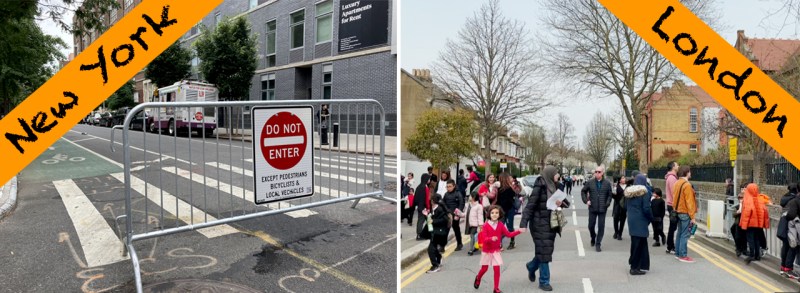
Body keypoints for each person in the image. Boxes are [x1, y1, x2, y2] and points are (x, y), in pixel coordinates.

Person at [519, 166, 570, 291]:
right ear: (550, 174)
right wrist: (523, 223)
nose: (558, 175)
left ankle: (531, 266)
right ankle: (544, 281)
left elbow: (566, 203)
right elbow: (530, 205)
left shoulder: (556, 185)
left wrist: (561, 203)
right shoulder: (540, 185)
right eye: (556, 173)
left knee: (544, 251)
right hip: (538, 224)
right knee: (544, 252)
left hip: (551, 224)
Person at [473, 205, 523, 293]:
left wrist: (519, 231)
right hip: (487, 251)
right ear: (489, 214)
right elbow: (484, 239)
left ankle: (496, 289)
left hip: (496, 250)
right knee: (484, 269)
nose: (494, 214)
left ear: (500, 214)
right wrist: (491, 238)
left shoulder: (500, 225)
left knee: (497, 269)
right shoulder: (486, 226)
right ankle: (478, 277)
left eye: (496, 213)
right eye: (492, 213)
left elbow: (508, 234)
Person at [625, 174, 654, 275]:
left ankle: (635, 264)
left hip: (632, 220)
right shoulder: (644, 193)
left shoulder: (629, 192)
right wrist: (651, 218)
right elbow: (646, 208)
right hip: (641, 220)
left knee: (636, 243)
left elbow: (625, 206)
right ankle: (634, 268)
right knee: (638, 244)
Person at [581, 166, 613, 252]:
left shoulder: (607, 183)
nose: (597, 173)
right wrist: (586, 201)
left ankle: (598, 243)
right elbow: (583, 191)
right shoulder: (590, 182)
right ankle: (593, 237)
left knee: (601, 226)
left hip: (603, 208)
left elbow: (610, 195)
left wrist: (607, 203)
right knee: (591, 225)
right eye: (596, 172)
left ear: (602, 173)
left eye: (599, 172)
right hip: (592, 207)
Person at [740, 183, 769, 264]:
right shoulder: (760, 199)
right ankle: (757, 255)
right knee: (757, 239)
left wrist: (744, 225)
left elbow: (746, 213)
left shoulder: (748, 199)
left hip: (750, 223)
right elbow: (765, 211)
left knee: (750, 239)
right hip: (758, 224)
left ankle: (752, 255)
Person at [673, 165, 697, 263]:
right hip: (685, 212)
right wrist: (693, 216)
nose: (690, 173)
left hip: (678, 211)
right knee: (685, 234)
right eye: (689, 171)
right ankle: (683, 255)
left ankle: (678, 253)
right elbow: (689, 202)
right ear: (686, 173)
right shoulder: (687, 185)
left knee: (679, 233)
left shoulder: (677, 183)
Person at [778, 183, 800, 279]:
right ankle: (788, 269)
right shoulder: (795, 200)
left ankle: (784, 267)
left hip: (785, 226)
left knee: (787, 246)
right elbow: (791, 214)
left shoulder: (785, 198)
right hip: (793, 227)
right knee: (793, 247)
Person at [424, 193, 449, 273]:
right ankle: (438, 258)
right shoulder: (434, 208)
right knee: (433, 248)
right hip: (435, 232)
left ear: (433, 201)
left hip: (439, 233)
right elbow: (430, 219)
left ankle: (435, 265)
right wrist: (426, 215)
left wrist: (433, 221)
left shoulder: (439, 209)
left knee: (430, 249)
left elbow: (445, 220)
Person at [442, 179, 465, 251]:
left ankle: (459, 244)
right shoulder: (446, 194)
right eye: (447, 186)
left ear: (454, 186)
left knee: (456, 229)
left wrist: (458, 214)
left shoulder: (458, 194)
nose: (448, 188)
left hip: (455, 215)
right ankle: (442, 246)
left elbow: (461, 204)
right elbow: (443, 203)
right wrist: (446, 211)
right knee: (445, 231)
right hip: (448, 215)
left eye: (450, 186)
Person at [497, 173, 518, 250]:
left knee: (510, 228)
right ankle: (499, 243)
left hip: (509, 210)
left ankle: (512, 242)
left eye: (500, 178)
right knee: (500, 227)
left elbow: (510, 201)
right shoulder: (499, 189)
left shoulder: (509, 189)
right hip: (502, 211)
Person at [664, 161, 680, 254]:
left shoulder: (670, 177)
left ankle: (670, 246)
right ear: (673, 167)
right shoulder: (672, 178)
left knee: (672, 227)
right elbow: (675, 193)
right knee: (673, 227)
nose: (678, 166)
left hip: (671, 204)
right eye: (677, 164)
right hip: (673, 205)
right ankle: (670, 246)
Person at [414, 174, 432, 240]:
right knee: (429, 220)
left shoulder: (418, 187)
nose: (429, 180)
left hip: (419, 207)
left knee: (420, 221)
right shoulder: (425, 187)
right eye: (429, 179)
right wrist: (428, 208)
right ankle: (425, 234)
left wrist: (417, 205)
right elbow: (427, 199)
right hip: (424, 208)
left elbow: (415, 198)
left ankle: (419, 234)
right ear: (426, 179)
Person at [612, 176, 629, 241]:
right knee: (615, 219)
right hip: (617, 204)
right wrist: (613, 191)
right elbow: (613, 195)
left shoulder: (628, 186)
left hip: (624, 205)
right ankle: (616, 232)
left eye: (624, 178)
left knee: (622, 220)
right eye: (622, 178)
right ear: (619, 180)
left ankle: (620, 234)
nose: (624, 179)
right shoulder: (616, 186)